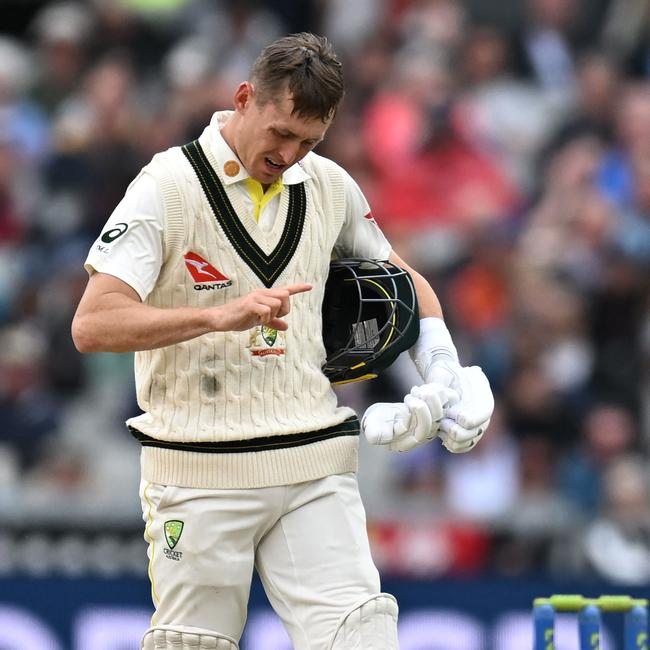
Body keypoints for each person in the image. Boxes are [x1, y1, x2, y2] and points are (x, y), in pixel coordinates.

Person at [71, 32, 493, 650]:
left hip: (313, 461)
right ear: (245, 99)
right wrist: (214, 318)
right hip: (197, 468)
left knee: (362, 635)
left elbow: (402, 281)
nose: (290, 154)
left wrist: (445, 370)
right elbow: (93, 323)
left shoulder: (328, 185)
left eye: (309, 141)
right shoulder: (166, 185)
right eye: (281, 134)